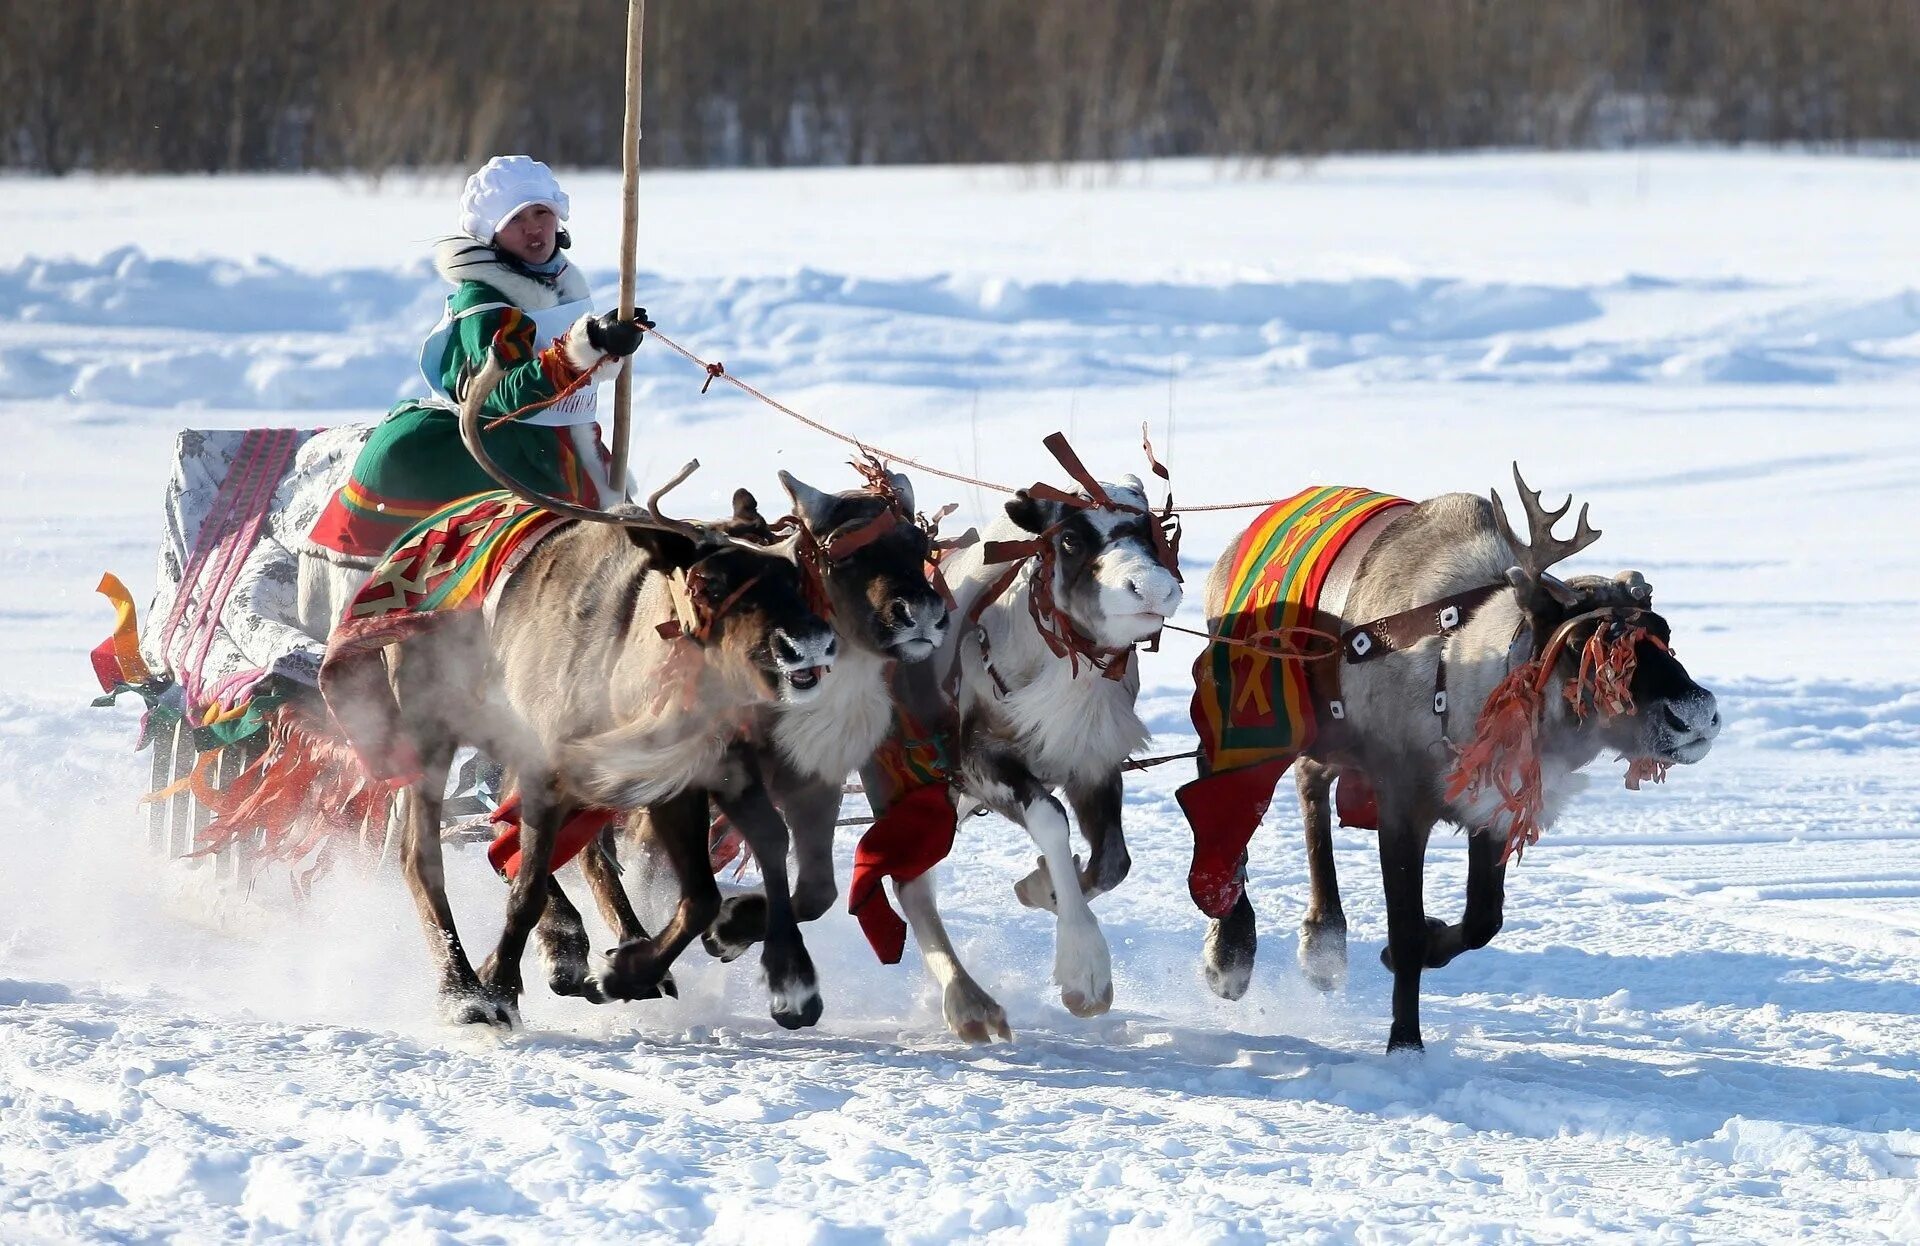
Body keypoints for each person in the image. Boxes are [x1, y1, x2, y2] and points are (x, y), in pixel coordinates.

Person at [309, 155, 650, 559]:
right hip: (500, 449)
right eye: (515, 220)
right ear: (490, 232)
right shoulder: (484, 298)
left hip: (560, 445)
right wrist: (586, 345)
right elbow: (501, 392)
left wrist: (608, 345)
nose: (534, 228)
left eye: (542, 212)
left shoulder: (560, 282)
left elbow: (574, 363)